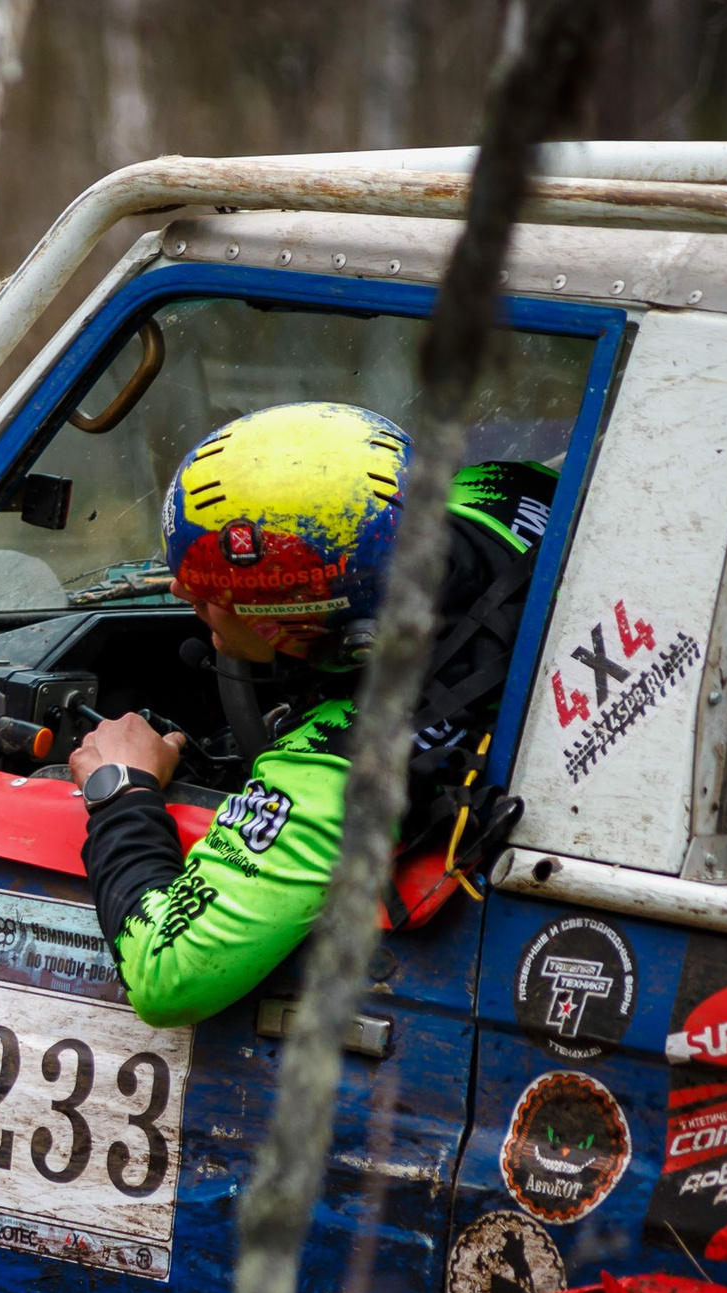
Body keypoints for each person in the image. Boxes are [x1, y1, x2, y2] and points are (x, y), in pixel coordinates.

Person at [67, 400, 554, 1028]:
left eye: (212, 596)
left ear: (294, 630)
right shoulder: (503, 494)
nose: (179, 591)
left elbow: (168, 977)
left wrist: (121, 792)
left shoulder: (338, 768)